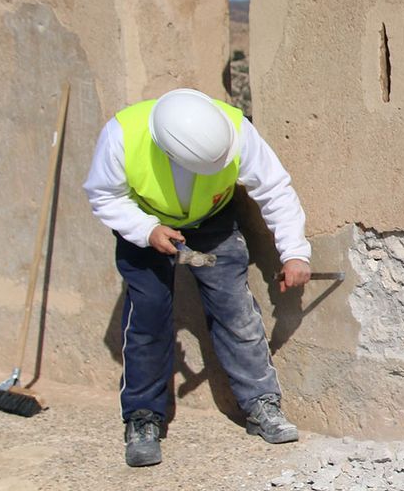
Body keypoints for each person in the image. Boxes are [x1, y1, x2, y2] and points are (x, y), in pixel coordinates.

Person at [83, 87, 312, 468]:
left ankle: (261, 405)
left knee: (234, 309)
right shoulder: (123, 135)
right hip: (145, 226)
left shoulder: (233, 129)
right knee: (148, 315)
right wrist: (146, 230)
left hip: (211, 224)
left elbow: (274, 189)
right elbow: (104, 195)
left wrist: (294, 252)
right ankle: (143, 417)